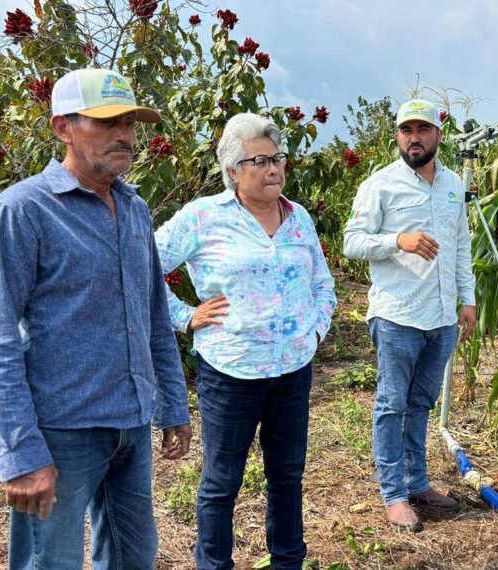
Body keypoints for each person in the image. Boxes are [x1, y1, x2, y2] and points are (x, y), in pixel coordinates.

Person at [0, 68, 191, 569]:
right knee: (49, 562)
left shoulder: (134, 209)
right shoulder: (24, 210)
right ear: (62, 128)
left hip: (131, 426)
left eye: (131, 122)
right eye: (106, 121)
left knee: (136, 556)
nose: (126, 135)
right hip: (61, 432)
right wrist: (22, 452)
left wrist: (173, 404)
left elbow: (153, 313)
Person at [155, 112, 336, 570]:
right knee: (221, 483)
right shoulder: (202, 218)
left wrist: (314, 330)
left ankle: (287, 562)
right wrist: (183, 316)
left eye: (277, 158)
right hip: (231, 371)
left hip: (293, 369)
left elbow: (323, 283)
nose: (274, 168)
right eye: (260, 160)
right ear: (233, 169)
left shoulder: (299, 219)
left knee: (287, 476)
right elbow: (139, 266)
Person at [343, 99, 476, 532]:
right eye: (405, 131)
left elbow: (460, 246)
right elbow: (352, 242)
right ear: (398, 136)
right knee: (391, 404)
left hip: (440, 317)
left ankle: (417, 482)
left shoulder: (454, 184)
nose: (413, 138)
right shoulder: (380, 185)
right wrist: (398, 240)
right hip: (398, 315)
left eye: (422, 130)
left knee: (421, 403)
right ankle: (394, 495)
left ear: (439, 135)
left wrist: (467, 298)